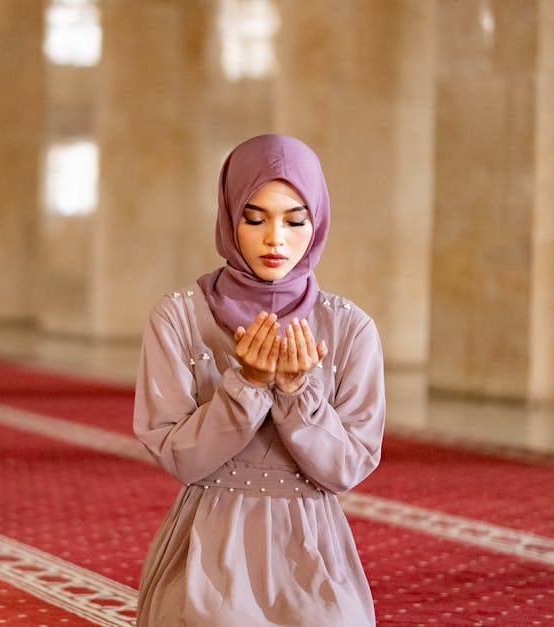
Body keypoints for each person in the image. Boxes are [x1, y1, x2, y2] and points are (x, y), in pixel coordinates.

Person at [133, 134, 385, 626]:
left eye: (294, 220)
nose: (275, 239)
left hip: (313, 550)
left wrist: (295, 394)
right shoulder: (178, 318)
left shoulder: (349, 328)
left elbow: (347, 468)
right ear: (230, 217)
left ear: (318, 221)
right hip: (209, 543)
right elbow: (180, 457)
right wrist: (245, 386)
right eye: (255, 219)